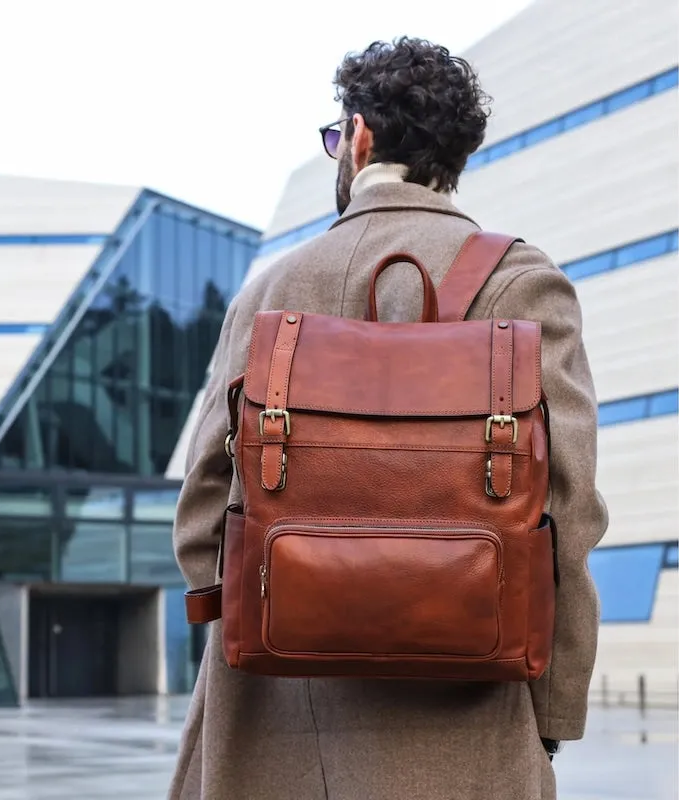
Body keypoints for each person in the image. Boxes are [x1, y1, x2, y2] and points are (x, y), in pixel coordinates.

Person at [169, 36, 608, 800]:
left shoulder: (270, 290)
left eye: (337, 138)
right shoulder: (524, 284)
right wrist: (552, 713)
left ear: (359, 136)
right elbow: (568, 515)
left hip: (270, 715)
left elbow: (202, 511)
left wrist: (272, 607)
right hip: (465, 715)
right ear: (455, 156)